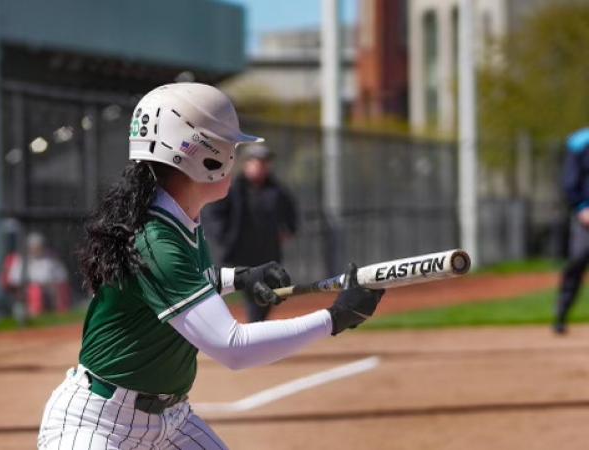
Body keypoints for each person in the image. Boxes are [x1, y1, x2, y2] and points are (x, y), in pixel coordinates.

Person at [36, 83, 384, 449]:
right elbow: (233, 347)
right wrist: (334, 318)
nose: (235, 156)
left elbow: (188, 281)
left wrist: (240, 277)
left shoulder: (181, 217)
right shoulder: (156, 239)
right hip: (99, 427)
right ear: (204, 154)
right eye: (229, 146)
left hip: (171, 420)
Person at [203, 143, 298, 322]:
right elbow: (213, 214)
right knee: (253, 296)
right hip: (240, 256)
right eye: (257, 162)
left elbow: (290, 213)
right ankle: (248, 335)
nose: (262, 166)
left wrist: (288, 230)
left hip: (268, 253)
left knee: (267, 297)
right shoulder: (233, 188)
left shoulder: (277, 190)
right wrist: (224, 237)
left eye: (265, 162)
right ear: (246, 163)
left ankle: (256, 331)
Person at [555, 127, 589, 334]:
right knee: (578, 260)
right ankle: (561, 313)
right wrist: (581, 208)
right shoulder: (580, 142)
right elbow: (570, 181)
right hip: (585, 217)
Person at [0, 232, 71, 317]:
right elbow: (14, 281)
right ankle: (33, 315)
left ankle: (60, 315)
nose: (36, 249)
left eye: (39, 247)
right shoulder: (21, 261)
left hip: (49, 290)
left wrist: (51, 285)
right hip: (28, 291)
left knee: (58, 291)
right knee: (36, 292)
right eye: (34, 247)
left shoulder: (51, 260)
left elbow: (62, 276)